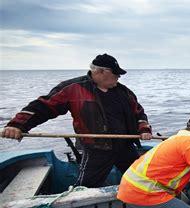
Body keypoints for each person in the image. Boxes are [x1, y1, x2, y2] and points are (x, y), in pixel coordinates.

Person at [1, 53, 153, 187]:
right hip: (96, 149)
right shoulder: (73, 88)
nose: (118, 78)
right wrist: (17, 125)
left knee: (142, 181)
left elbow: (139, 114)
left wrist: (144, 129)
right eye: (116, 74)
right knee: (85, 187)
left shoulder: (124, 92)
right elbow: (44, 107)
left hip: (125, 146)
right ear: (100, 72)